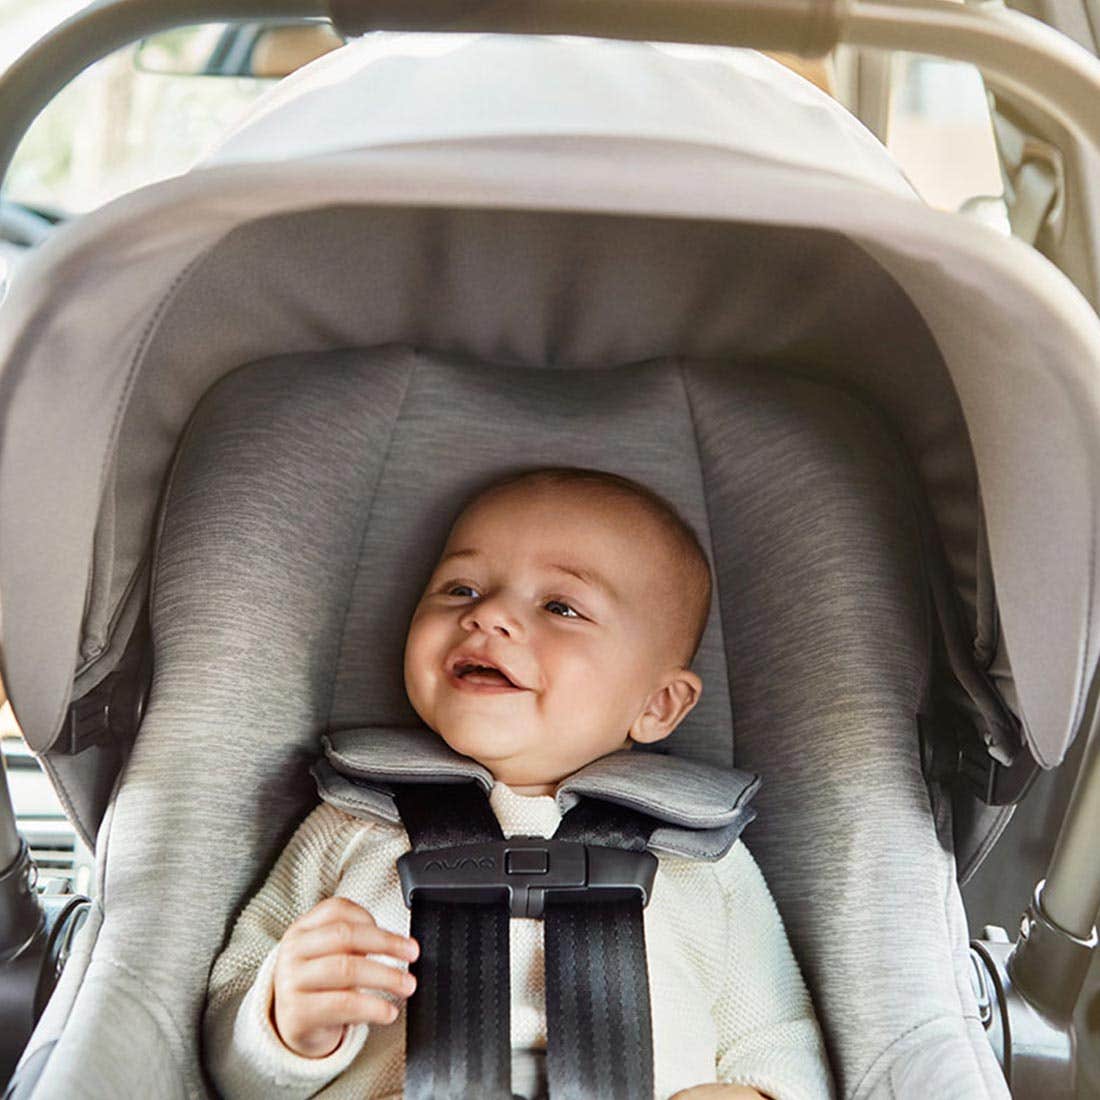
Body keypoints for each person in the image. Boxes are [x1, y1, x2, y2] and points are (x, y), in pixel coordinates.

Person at [203, 467, 834, 1100]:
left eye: (561, 606)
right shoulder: (351, 824)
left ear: (659, 705)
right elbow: (227, 1053)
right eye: (459, 587)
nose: (489, 614)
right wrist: (287, 1027)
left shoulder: (703, 859)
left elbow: (780, 1042)